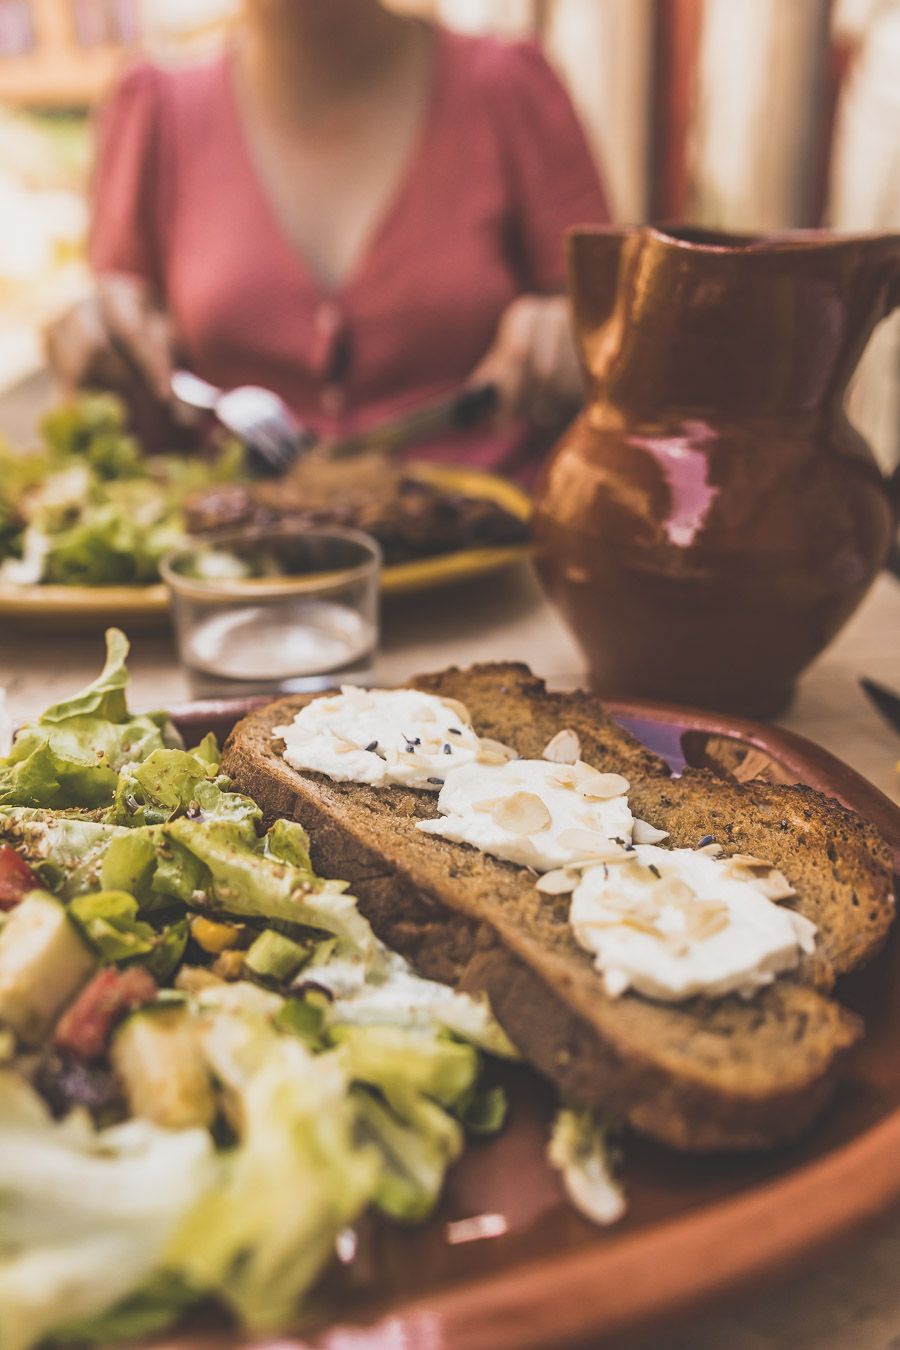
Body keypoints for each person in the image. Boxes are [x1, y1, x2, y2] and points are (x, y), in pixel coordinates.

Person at [47, 0, 609, 481]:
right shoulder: (153, 110)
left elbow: (623, 347)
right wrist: (100, 353)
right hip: (237, 586)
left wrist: (574, 331)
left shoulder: (510, 87)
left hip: (499, 580)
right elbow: (129, 399)